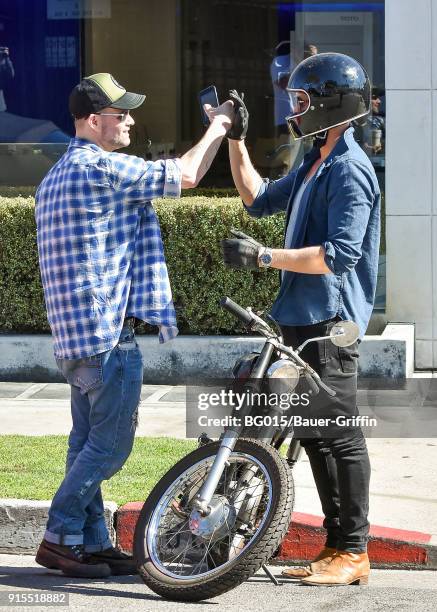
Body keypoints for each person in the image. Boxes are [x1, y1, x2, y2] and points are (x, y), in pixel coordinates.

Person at [34, 72, 234, 578]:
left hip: (73, 339)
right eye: (120, 113)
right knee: (111, 445)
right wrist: (219, 127)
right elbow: (186, 176)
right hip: (106, 335)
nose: (129, 120)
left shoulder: (55, 175)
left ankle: (91, 541)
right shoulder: (101, 168)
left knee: (85, 445)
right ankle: (59, 534)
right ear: (93, 119)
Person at [222, 53, 380, 586]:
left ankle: (354, 551)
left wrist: (264, 257)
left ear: (333, 103)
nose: (294, 109)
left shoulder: (350, 170)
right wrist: (235, 138)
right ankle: (336, 550)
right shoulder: (315, 159)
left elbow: (338, 256)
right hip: (300, 317)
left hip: (331, 323)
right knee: (314, 434)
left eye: (303, 100)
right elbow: (256, 200)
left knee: (339, 435)